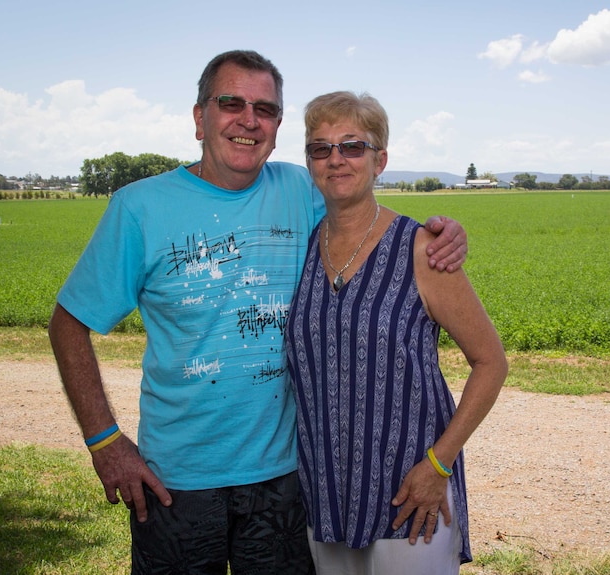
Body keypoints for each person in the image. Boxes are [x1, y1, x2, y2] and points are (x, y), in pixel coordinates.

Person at [48, 51, 468, 575]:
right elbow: (68, 323)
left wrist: (442, 233)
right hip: (176, 481)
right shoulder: (139, 208)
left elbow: (369, 218)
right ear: (200, 117)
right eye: (232, 103)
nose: (249, 120)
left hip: (286, 481)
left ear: (276, 127)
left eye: (265, 109)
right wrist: (104, 441)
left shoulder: (303, 189)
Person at [285, 91, 508, 574]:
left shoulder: (423, 249)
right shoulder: (300, 249)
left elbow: (491, 363)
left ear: (380, 159)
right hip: (324, 495)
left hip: (412, 494)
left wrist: (439, 465)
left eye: (352, 146)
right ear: (309, 162)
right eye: (320, 148)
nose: (336, 159)